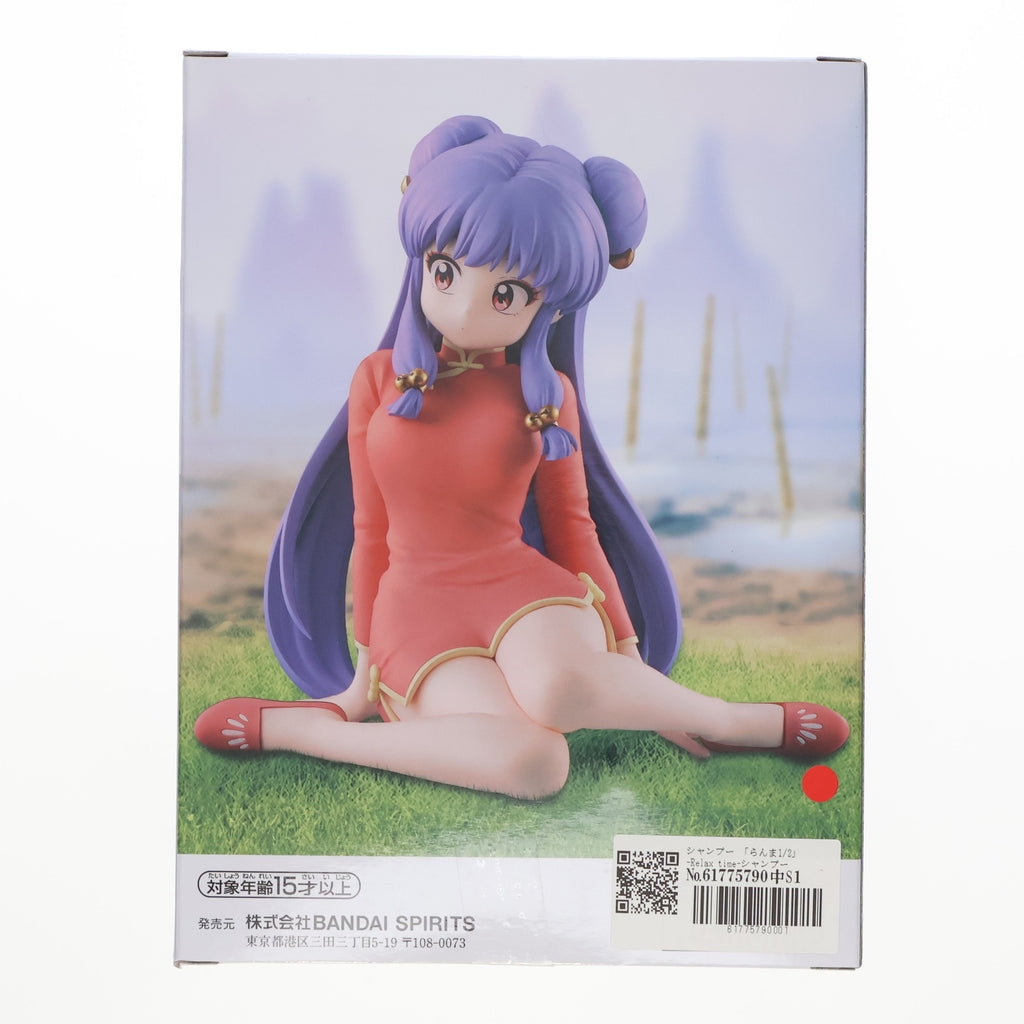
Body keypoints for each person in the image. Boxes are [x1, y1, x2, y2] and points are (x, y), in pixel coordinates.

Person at [195, 115, 848, 799]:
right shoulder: (378, 380)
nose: (465, 307)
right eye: (445, 272)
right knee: (537, 763)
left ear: (550, 307)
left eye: (505, 294)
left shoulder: (546, 394)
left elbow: (573, 528)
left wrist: (631, 667)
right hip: (417, 613)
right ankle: (308, 732)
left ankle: (728, 722)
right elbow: (370, 527)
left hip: (525, 591)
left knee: (558, 688)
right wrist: (363, 675)